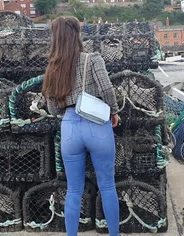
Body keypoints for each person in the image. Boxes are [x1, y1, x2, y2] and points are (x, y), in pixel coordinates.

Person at [42, 16, 120, 236]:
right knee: (107, 186)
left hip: (70, 128)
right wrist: (113, 111)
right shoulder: (92, 59)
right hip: (97, 126)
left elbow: (52, 109)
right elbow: (106, 90)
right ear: (77, 34)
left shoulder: (53, 68)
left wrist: (67, 109)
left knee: (73, 190)